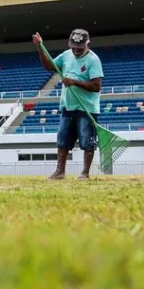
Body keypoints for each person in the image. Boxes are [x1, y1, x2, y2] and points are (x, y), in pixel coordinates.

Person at [33, 29, 104, 180]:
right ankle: (60, 171)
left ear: (88, 44)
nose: (76, 51)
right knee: (62, 140)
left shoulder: (93, 60)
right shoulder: (66, 55)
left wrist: (74, 82)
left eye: (79, 48)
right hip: (67, 106)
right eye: (73, 47)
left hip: (87, 108)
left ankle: (85, 173)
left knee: (87, 141)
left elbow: (96, 86)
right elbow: (49, 66)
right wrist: (40, 47)